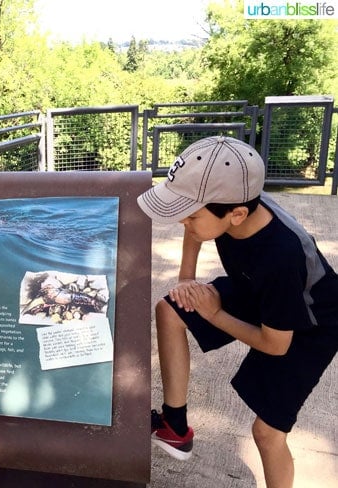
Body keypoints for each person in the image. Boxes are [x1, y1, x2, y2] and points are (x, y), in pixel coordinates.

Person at [136, 136, 338, 488]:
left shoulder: (281, 256)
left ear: (237, 214)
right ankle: (175, 426)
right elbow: (196, 229)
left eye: (190, 214)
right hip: (256, 288)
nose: (183, 221)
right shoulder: (228, 204)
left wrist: (214, 313)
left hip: (311, 322)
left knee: (267, 432)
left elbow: (276, 344)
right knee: (171, 309)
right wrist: (186, 279)